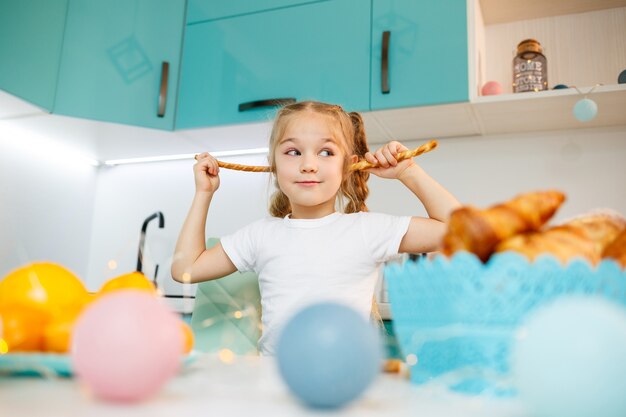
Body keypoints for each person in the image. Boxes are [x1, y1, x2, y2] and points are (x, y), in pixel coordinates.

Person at [172, 101, 460, 355]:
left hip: (345, 384)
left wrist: (408, 173)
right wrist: (203, 193)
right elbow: (187, 269)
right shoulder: (260, 235)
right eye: (293, 151)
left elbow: (460, 230)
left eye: (325, 152)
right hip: (274, 384)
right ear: (273, 164)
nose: (308, 164)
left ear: (349, 165)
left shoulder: (367, 229)